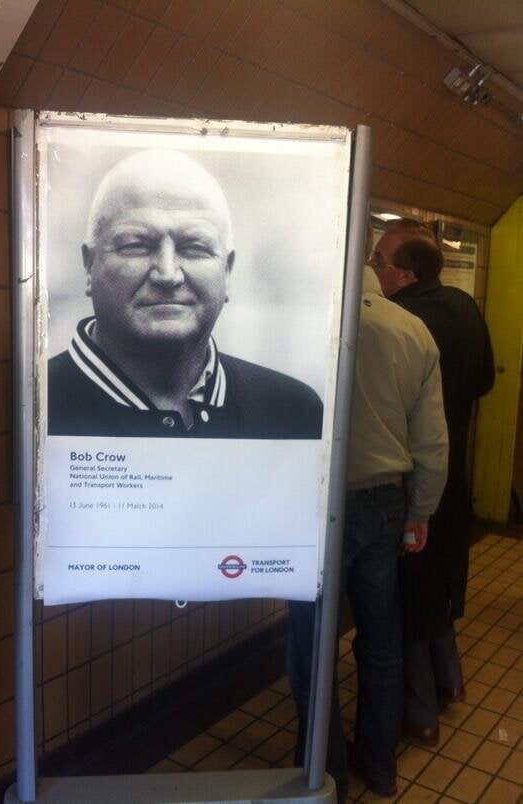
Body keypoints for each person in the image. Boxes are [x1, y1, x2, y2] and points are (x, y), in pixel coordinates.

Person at [288, 264, 448, 800]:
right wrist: (420, 511)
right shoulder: (413, 330)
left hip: (316, 502)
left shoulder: (309, 323)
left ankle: (321, 772)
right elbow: (431, 439)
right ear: (377, 274)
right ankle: (379, 765)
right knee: (380, 638)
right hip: (385, 502)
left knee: (314, 644)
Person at [48, 150, 322, 439]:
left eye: (195, 247)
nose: (167, 274)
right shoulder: (35, 404)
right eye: (136, 244)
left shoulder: (295, 411)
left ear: (227, 272)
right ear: (89, 266)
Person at [371, 218, 495, 746]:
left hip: (412, 479)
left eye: (380, 260)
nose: (373, 267)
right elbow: (486, 381)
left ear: (403, 274)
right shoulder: (464, 307)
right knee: (439, 577)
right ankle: (449, 683)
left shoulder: (401, 321)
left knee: (411, 592)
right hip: (454, 472)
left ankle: (419, 714)